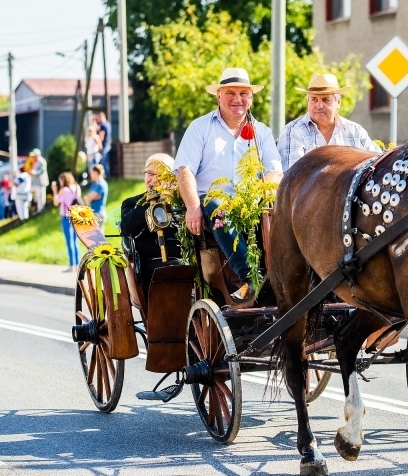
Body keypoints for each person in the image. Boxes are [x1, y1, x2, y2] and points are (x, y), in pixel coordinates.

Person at [174, 67, 282, 303]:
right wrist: (192, 207)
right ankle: (251, 280)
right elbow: (184, 169)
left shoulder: (261, 132)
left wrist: (259, 194)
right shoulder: (200, 128)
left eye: (243, 93)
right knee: (218, 205)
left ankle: (289, 278)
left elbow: (274, 171)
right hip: (212, 203)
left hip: (252, 203)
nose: (237, 99)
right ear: (218, 96)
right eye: (230, 92)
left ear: (251, 98)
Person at [278, 73, 381, 172]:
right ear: (307, 102)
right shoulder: (293, 131)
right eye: (314, 99)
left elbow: (378, 165)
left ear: (338, 103)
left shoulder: (355, 132)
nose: (319, 105)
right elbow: (293, 178)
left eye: (325, 99)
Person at [120, 153, 182, 297]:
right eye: (149, 173)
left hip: (185, 260)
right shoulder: (132, 203)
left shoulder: (182, 201)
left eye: (160, 175)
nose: (153, 180)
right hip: (152, 264)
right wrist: (152, 202)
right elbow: (126, 227)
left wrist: (170, 199)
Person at [52, 172, 84, 272]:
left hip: (66, 217)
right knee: (75, 242)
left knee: (69, 242)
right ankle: (78, 264)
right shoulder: (77, 187)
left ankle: (71, 265)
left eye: (60, 180)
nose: (59, 182)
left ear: (64, 180)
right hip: (76, 217)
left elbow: (56, 202)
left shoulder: (64, 190)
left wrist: (54, 190)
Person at [28, 148, 49, 213]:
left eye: (34, 156)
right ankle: (38, 210)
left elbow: (41, 171)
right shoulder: (35, 162)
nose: (33, 157)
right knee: (37, 196)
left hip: (41, 182)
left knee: (41, 197)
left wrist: (34, 172)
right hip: (36, 183)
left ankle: (41, 210)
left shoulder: (42, 161)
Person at [94, 111, 112, 177]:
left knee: (104, 162)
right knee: (105, 161)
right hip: (108, 145)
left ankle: (107, 177)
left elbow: (101, 136)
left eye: (98, 118)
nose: (98, 120)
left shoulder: (103, 125)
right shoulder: (108, 124)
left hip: (104, 146)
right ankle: (107, 176)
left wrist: (99, 146)